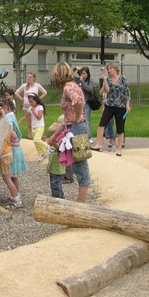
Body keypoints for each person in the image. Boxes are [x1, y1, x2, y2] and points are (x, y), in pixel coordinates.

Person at [48, 62, 91, 203]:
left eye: (55, 75)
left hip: (76, 127)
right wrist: (54, 136)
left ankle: (81, 200)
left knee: (80, 162)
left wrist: (77, 117)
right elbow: (67, 117)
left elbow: (77, 102)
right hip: (75, 126)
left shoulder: (68, 88)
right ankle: (81, 198)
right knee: (78, 161)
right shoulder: (74, 85)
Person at [0, 98, 26, 209]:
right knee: (10, 175)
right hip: (10, 150)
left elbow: (11, 134)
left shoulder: (7, 119)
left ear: (6, 108)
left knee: (9, 176)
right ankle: (15, 195)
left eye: (1, 108)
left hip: (9, 151)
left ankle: (16, 197)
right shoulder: (10, 116)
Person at [91, 62, 130, 157]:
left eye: (110, 68)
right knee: (101, 124)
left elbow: (127, 93)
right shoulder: (107, 80)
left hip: (121, 106)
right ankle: (98, 144)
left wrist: (127, 105)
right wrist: (104, 80)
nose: (109, 70)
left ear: (115, 69)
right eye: (108, 69)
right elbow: (107, 91)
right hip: (110, 105)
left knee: (120, 129)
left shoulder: (123, 79)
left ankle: (119, 149)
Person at [14, 72, 48, 139]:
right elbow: (16, 92)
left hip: (35, 107)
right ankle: (30, 137)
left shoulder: (37, 85)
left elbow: (45, 92)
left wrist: (38, 99)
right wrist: (22, 99)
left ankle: (43, 137)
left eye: (30, 77)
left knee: (37, 122)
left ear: (34, 78)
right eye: (28, 77)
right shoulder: (24, 85)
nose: (28, 78)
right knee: (29, 123)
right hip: (26, 107)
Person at [46, 122, 66, 199]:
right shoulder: (53, 145)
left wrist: (53, 142)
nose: (52, 136)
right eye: (50, 134)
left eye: (54, 134)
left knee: (56, 185)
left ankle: (57, 198)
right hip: (53, 169)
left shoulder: (60, 144)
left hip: (58, 169)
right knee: (54, 184)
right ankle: (58, 197)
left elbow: (59, 149)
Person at [77, 67, 96, 141]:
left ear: (88, 74)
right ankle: (81, 135)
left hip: (86, 102)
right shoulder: (78, 80)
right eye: (82, 73)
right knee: (79, 119)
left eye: (84, 73)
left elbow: (89, 89)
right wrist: (75, 68)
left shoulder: (89, 81)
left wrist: (82, 82)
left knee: (86, 119)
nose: (83, 75)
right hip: (79, 103)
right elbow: (70, 75)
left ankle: (89, 136)